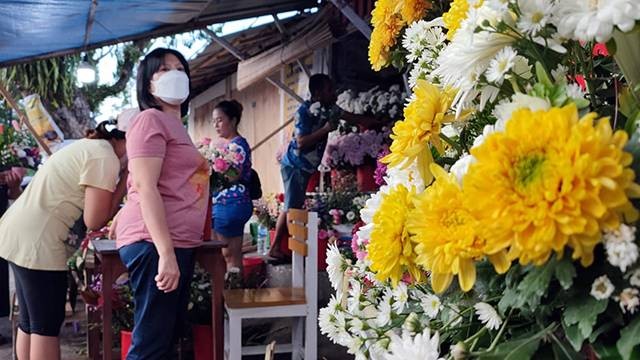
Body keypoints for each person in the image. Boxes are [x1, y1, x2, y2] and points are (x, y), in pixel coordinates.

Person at [0, 119, 129, 360]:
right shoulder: (105, 158)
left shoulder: (90, 147)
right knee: (46, 326)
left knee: (31, 321)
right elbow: (94, 220)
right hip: (39, 242)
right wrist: (126, 178)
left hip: (18, 232)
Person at [112, 48, 210, 359]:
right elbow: (144, 186)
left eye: (180, 68)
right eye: (163, 69)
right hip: (155, 243)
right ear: (148, 84)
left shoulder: (175, 126)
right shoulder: (149, 120)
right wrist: (166, 254)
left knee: (164, 342)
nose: (175, 74)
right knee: (151, 346)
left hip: (173, 241)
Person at [270, 74, 378, 260]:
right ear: (318, 93)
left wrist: (380, 123)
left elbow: (353, 118)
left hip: (306, 167)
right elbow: (301, 142)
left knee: (292, 204)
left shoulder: (330, 109)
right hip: (294, 165)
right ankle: (277, 249)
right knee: (291, 206)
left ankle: (282, 248)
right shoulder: (304, 112)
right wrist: (326, 129)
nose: (334, 93)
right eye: (329, 90)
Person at [210, 100, 252, 288]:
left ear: (233, 121)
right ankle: (235, 295)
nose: (216, 125)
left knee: (228, 254)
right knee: (233, 254)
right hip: (232, 204)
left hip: (230, 203)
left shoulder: (236, 146)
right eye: (214, 121)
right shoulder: (231, 145)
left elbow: (233, 175)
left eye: (220, 120)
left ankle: (231, 298)